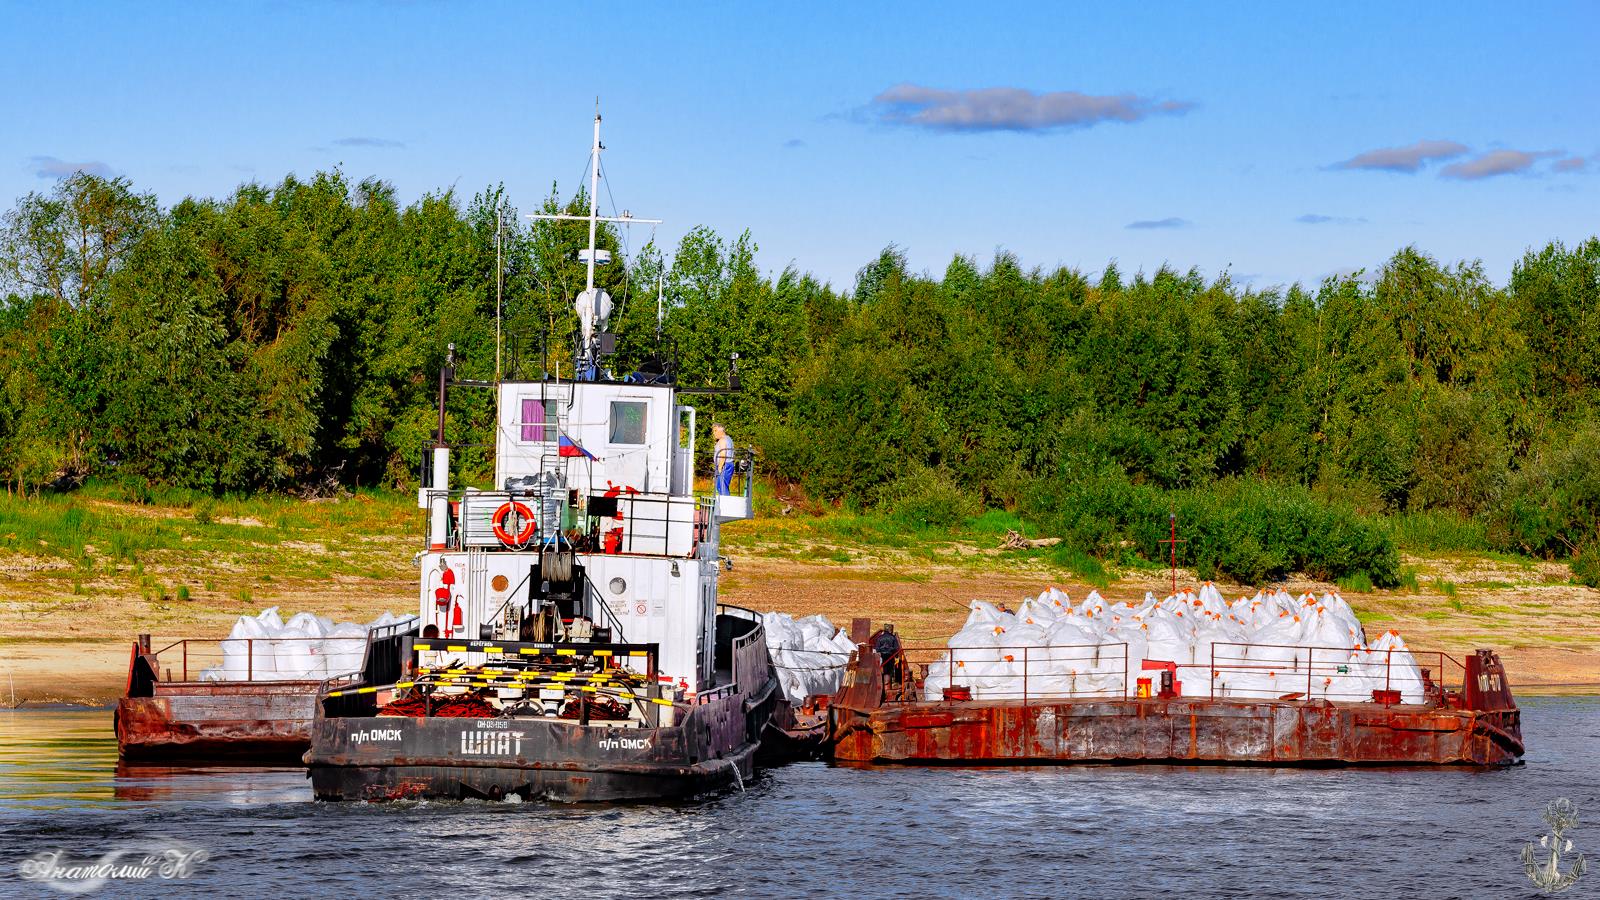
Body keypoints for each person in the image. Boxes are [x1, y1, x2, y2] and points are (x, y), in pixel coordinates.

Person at [712, 423, 735, 495]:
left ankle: (726, 505)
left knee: (721, 486)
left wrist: (719, 468)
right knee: (722, 486)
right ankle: (724, 504)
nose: (714, 433)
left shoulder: (722, 440)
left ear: (721, 430)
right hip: (728, 465)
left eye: (715, 430)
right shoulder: (729, 438)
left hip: (724, 465)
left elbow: (723, 455)